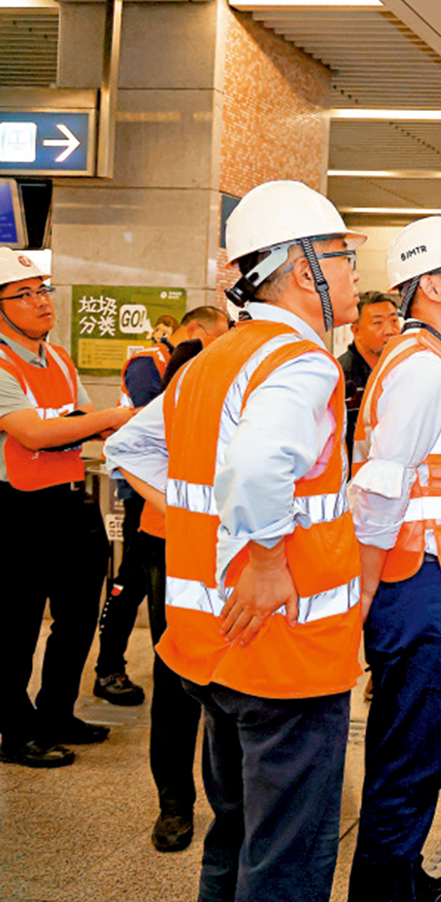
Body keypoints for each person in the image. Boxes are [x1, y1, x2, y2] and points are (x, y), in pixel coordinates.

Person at [103, 179, 365, 902]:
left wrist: (221, 521)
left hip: (213, 647)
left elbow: (128, 447)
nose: (353, 273)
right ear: (305, 269)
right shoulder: (299, 361)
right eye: (342, 257)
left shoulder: (211, 362)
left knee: (235, 836)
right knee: (285, 859)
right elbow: (255, 465)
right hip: (286, 654)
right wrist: (268, 560)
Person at [346, 216, 441, 902]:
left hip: (433, 579)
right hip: (418, 583)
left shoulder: (433, 362)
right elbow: (382, 481)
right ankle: (385, 894)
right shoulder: (424, 367)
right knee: (411, 752)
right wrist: (367, 587)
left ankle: (401, 876)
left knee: (415, 742)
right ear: (430, 286)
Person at [0, 247, 132, 769]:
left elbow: (82, 421)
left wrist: (95, 423)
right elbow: (33, 432)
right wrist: (107, 418)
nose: (41, 301)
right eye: (24, 295)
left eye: (43, 290)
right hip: (15, 509)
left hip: (70, 501)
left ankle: (57, 714)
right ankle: (15, 732)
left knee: (77, 618)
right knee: (15, 627)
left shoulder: (57, 357)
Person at [103, 304, 230, 850]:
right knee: (177, 671)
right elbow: (128, 447)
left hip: (233, 545)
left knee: (229, 678)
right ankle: (174, 803)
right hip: (169, 541)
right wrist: (178, 510)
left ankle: (232, 801)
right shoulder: (189, 375)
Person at [339, 290, 401, 461]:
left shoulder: (403, 369)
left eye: (394, 321)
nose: (390, 331)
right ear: (356, 331)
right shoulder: (342, 376)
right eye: (377, 323)